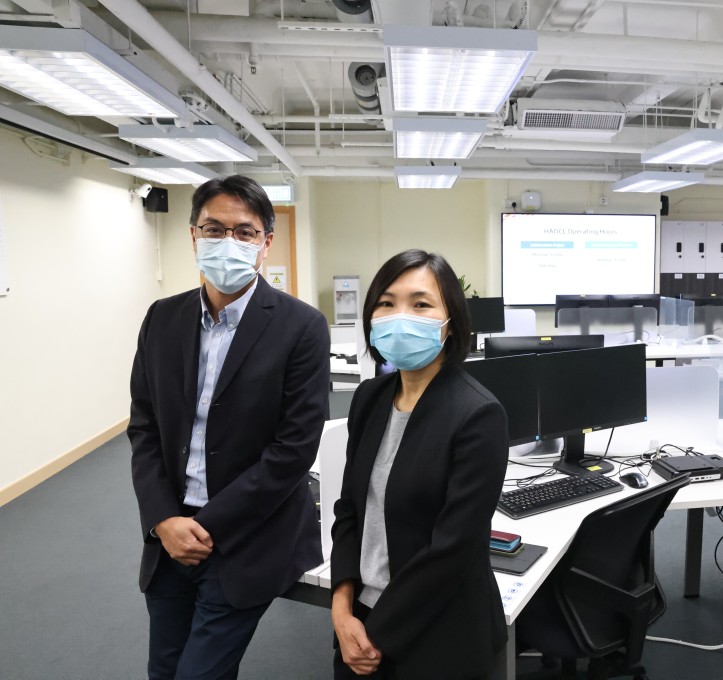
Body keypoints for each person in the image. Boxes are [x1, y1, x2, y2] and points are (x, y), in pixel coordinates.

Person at [128, 175, 330, 680]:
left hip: (248, 533)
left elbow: (294, 449)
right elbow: (145, 429)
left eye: (244, 232)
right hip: (171, 532)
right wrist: (163, 520)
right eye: (214, 229)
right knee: (165, 669)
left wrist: (207, 526)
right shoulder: (162, 318)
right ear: (193, 235)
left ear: (265, 243)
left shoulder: (301, 326)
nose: (228, 242)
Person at [330, 249, 509, 679]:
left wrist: (375, 633)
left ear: (450, 322)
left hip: (437, 630)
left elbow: (453, 550)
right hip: (357, 620)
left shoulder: (477, 414)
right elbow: (350, 510)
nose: (399, 316)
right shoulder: (369, 398)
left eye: (421, 303)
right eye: (386, 303)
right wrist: (341, 610)